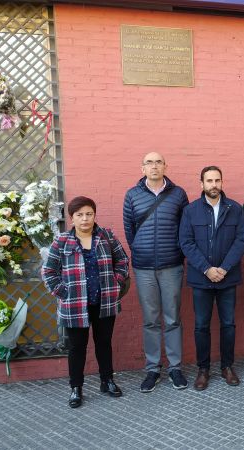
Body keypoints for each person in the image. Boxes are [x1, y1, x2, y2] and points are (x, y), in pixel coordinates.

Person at [42, 196, 129, 408]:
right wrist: (63, 292)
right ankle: (76, 387)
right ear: (72, 218)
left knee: (104, 343)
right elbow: (48, 271)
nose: (85, 219)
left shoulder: (106, 236)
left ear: (94, 215)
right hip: (74, 305)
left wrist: (116, 282)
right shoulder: (62, 241)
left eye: (89, 214)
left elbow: (122, 261)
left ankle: (107, 381)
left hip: (104, 301)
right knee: (76, 347)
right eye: (79, 215)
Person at [123, 152, 189, 392]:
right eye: (149, 163)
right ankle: (152, 369)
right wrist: (141, 250)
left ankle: (175, 368)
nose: (154, 166)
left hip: (172, 265)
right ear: (142, 168)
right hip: (144, 268)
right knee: (150, 320)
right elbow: (129, 230)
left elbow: (185, 227)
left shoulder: (178, 194)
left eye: (158, 162)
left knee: (172, 318)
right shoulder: (132, 195)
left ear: (165, 166)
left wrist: (177, 251)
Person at [179, 166, 244, 390]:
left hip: (228, 278)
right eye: (209, 181)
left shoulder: (235, 209)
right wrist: (207, 269)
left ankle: (227, 366)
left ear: (222, 182)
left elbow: (241, 240)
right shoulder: (190, 211)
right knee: (201, 325)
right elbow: (186, 242)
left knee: (228, 324)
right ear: (201, 184)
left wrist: (225, 268)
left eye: (217, 180)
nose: (214, 184)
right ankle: (203, 369)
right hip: (201, 279)